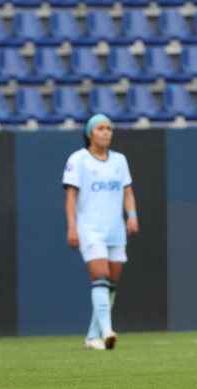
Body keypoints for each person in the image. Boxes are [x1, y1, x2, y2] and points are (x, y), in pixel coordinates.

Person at [63, 113, 139, 351]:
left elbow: (127, 192)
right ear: (89, 133)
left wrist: (132, 216)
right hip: (89, 230)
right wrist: (72, 227)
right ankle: (107, 331)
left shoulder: (119, 160)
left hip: (115, 230)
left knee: (110, 284)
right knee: (101, 279)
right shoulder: (79, 159)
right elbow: (70, 197)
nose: (106, 132)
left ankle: (91, 336)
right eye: (101, 128)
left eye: (109, 128)